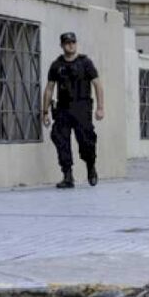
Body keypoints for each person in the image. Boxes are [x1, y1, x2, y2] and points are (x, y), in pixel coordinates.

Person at [42, 32, 104, 189]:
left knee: (86, 140)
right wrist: (45, 112)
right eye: (68, 43)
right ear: (62, 45)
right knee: (60, 139)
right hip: (63, 108)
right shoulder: (56, 65)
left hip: (82, 107)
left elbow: (97, 84)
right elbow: (49, 89)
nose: (71, 45)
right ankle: (67, 175)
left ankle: (91, 166)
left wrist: (100, 108)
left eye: (73, 42)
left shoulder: (85, 63)